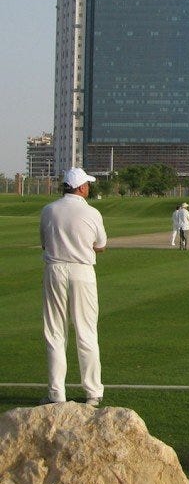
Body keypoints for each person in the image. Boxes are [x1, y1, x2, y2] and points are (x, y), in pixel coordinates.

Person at [39, 167, 107, 406]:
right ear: (80, 187)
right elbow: (100, 245)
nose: (89, 188)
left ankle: (56, 393)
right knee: (86, 331)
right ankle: (93, 392)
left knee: (55, 332)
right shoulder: (92, 213)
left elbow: (45, 244)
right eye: (87, 184)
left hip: (55, 270)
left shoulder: (49, 211)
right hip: (82, 272)